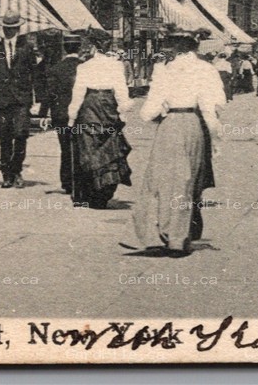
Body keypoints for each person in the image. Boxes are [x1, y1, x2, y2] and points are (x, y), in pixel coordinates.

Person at [128, 29, 226, 256]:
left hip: (169, 126)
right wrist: (215, 138)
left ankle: (156, 232)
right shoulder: (206, 69)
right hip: (193, 125)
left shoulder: (164, 70)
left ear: (176, 48)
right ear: (195, 47)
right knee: (186, 182)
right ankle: (178, 239)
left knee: (159, 180)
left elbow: (147, 112)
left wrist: (162, 111)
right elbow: (212, 108)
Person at [66, 29, 133, 208]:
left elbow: (78, 93)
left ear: (93, 46)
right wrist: (123, 110)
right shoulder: (116, 65)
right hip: (108, 105)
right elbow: (121, 90)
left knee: (88, 148)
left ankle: (89, 193)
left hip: (89, 106)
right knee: (110, 147)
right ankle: (104, 193)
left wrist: (72, 118)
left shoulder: (84, 67)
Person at [0, 13, 41, 189]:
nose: (8, 31)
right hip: (2, 100)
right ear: (3, 29)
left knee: (21, 135)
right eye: (6, 28)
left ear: (17, 28)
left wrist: (37, 100)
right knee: (5, 137)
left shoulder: (27, 48)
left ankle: (17, 170)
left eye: (12, 28)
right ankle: (7, 175)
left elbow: (36, 74)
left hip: (21, 99)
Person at [42, 30, 81, 195]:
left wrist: (45, 114)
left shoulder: (55, 69)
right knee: (79, 147)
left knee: (65, 148)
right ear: (79, 48)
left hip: (61, 115)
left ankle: (66, 182)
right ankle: (79, 180)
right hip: (80, 114)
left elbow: (50, 93)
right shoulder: (84, 67)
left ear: (65, 48)